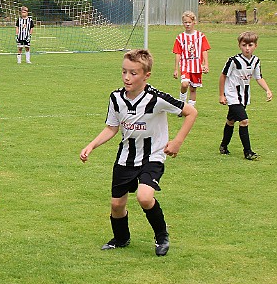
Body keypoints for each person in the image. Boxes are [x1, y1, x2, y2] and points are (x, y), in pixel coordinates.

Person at [80, 49, 197, 256]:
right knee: (117, 204)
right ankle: (121, 238)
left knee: (144, 197)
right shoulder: (116, 98)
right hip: (126, 157)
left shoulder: (156, 98)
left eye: (133, 73)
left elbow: (191, 112)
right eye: (124, 72)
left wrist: (177, 141)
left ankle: (162, 236)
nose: (127, 77)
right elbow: (112, 128)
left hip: (152, 157)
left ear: (146, 75)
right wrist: (91, 145)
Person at [219, 31, 273, 160]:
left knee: (230, 121)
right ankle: (248, 152)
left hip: (244, 96)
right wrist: (222, 95)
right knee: (244, 121)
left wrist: (267, 90)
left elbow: (258, 77)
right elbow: (223, 76)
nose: (247, 48)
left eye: (250, 45)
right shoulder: (233, 61)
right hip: (232, 95)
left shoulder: (256, 61)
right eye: (244, 45)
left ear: (255, 46)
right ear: (239, 45)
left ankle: (223, 146)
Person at [173, 11, 211, 108]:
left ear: (194, 22)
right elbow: (177, 53)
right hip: (185, 65)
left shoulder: (200, 36)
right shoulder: (180, 37)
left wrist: (206, 64)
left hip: (197, 66)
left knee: (193, 88)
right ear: (183, 23)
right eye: (185, 22)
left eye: (189, 22)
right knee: (185, 84)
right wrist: (176, 69)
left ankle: (190, 109)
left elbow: (204, 50)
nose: (187, 24)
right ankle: (181, 105)